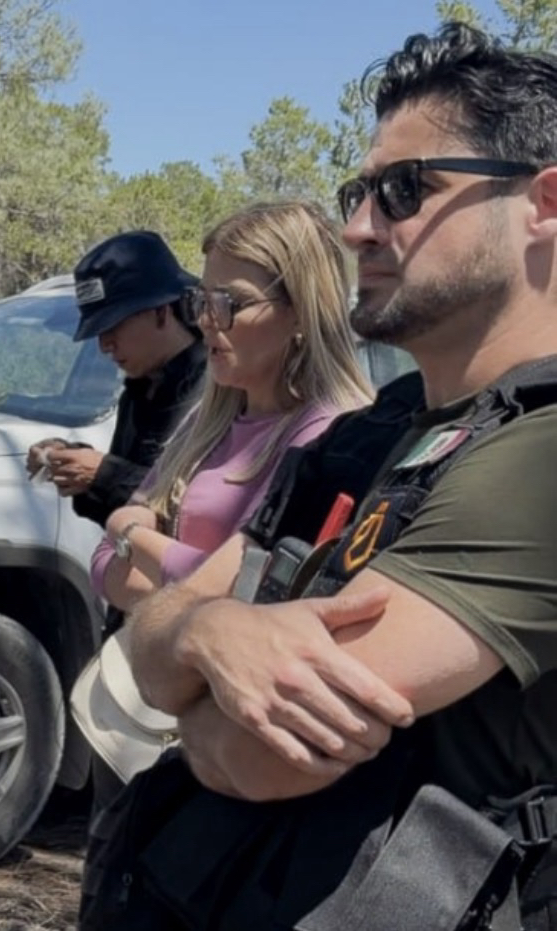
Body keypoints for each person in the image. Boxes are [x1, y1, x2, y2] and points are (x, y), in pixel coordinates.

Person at [85, 22, 557, 930]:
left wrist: (188, 659)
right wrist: (212, 634)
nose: (356, 228)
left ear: (543, 204)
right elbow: (148, 644)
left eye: (403, 190)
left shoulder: (538, 454)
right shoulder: (374, 428)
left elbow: (269, 752)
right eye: (359, 191)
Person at [78, 201, 370, 809]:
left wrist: (141, 536)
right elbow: (103, 565)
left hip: (226, 752)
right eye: (201, 302)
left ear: (300, 311)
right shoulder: (206, 423)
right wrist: (179, 583)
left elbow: (243, 594)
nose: (208, 321)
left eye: (229, 303)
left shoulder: (329, 437)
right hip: (133, 726)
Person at [27, 231, 206, 531]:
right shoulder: (139, 387)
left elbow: (194, 515)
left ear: (161, 311)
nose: (104, 345)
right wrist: (73, 462)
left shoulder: (215, 390)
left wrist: (103, 475)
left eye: (113, 326)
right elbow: (125, 498)